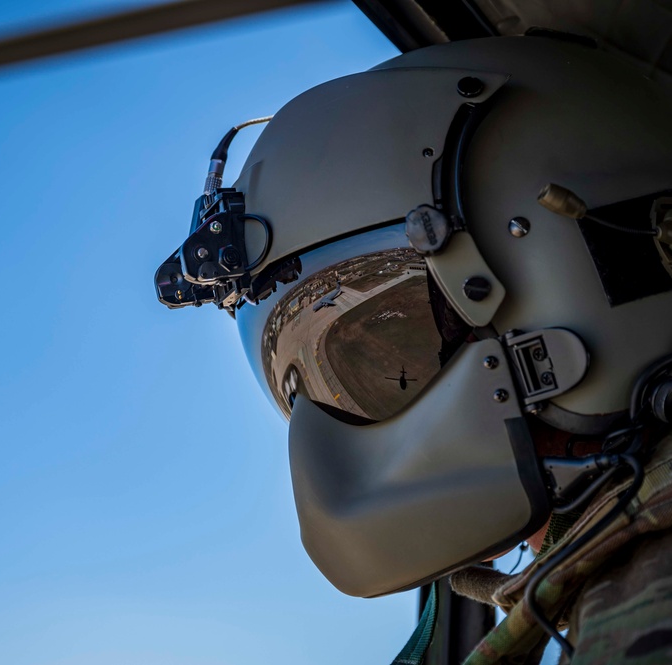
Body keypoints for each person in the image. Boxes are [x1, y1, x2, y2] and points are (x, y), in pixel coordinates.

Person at [154, 33, 672, 663]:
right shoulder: (600, 570)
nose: (331, 429)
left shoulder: (643, 598)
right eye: (307, 385)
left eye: (394, 344)